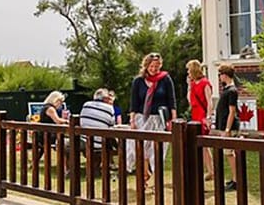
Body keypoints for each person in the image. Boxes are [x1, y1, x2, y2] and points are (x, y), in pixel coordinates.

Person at [128, 52, 176, 183]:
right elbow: (134, 103)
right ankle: (145, 174)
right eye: (151, 66)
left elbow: (172, 101)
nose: (154, 69)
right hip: (142, 118)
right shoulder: (138, 81)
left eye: (157, 66)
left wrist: (173, 119)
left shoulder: (165, 79)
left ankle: (156, 179)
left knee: (157, 150)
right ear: (146, 66)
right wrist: (132, 120)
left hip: (159, 119)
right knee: (141, 148)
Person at [186, 59, 215, 181]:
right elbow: (190, 100)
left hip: (202, 116)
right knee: (200, 146)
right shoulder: (193, 84)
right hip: (195, 114)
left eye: (189, 70)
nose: (188, 72)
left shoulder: (205, 83)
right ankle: (209, 170)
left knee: (203, 145)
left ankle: (211, 170)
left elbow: (209, 101)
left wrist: (208, 117)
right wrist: (189, 86)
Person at [214, 63, 240, 191]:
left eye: (220, 74)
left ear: (225, 75)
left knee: (229, 153)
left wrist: (227, 129)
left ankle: (236, 180)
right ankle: (234, 177)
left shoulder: (232, 91)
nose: (219, 77)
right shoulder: (226, 89)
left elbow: (232, 111)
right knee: (228, 153)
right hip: (223, 125)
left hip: (228, 126)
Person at [79, 88, 117, 173]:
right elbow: (111, 126)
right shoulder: (109, 108)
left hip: (85, 140)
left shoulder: (86, 105)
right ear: (105, 98)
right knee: (112, 141)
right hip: (100, 142)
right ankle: (110, 165)